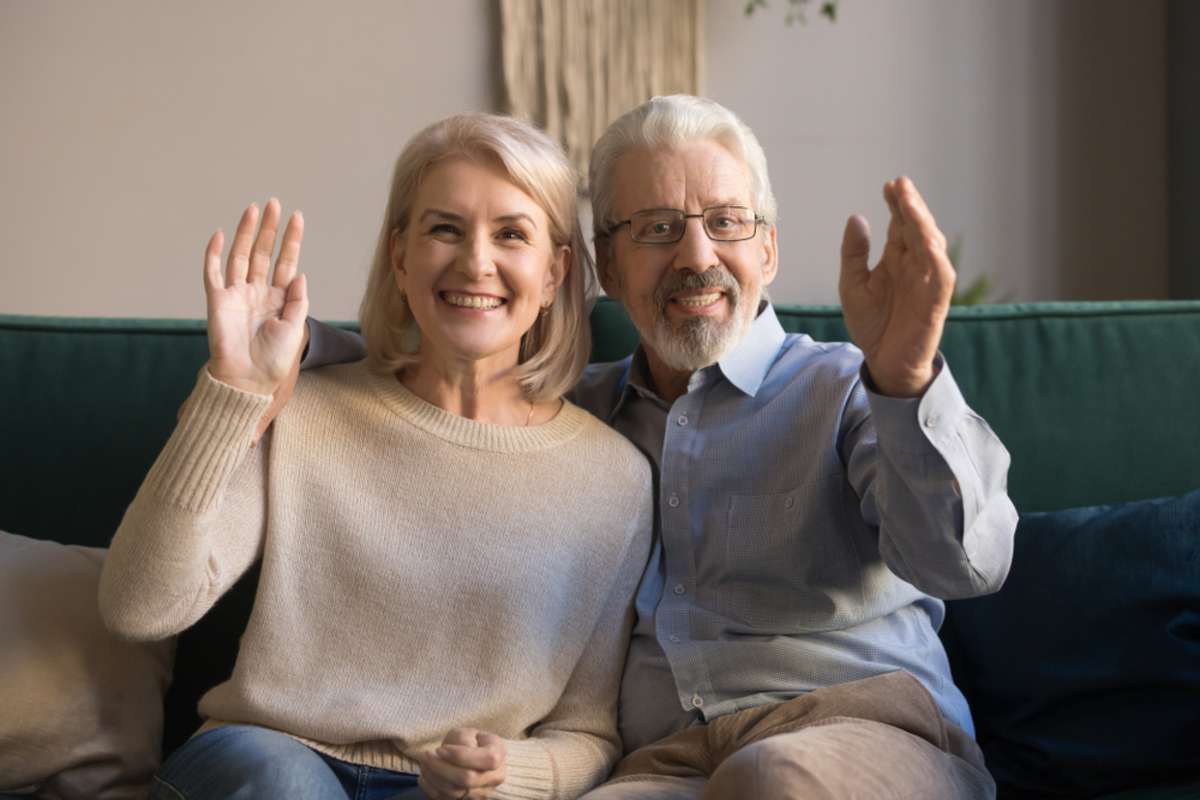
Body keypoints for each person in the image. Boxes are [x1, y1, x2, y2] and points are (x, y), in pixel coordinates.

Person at [299, 95, 1018, 799]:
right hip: (665, 765)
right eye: (656, 228)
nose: (695, 255)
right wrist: (296, 344)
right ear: (607, 267)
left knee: (769, 780)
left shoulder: (846, 389)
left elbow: (965, 562)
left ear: (767, 248)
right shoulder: (573, 419)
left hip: (858, 732)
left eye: (726, 221)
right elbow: (438, 368)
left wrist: (906, 378)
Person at [98, 113, 653, 800]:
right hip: (269, 764)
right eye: (444, 229)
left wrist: (511, 774)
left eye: (511, 234)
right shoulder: (304, 409)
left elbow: (589, 730)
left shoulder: (615, 480)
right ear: (401, 256)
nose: (476, 262)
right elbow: (139, 608)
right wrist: (232, 395)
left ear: (553, 273)